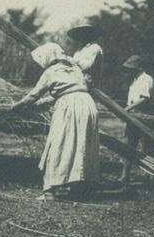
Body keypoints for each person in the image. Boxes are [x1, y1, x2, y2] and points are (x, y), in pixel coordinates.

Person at [10, 43, 100, 201]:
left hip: (69, 108)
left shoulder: (50, 72)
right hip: (87, 105)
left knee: (59, 144)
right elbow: (63, 92)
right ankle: (79, 188)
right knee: (81, 146)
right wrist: (39, 104)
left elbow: (33, 95)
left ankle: (50, 191)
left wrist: (16, 107)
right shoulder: (75, 69)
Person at [119, 55, 154, 188]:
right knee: (128, 145)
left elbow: (145, 98)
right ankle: (125, 176)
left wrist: (127, 108)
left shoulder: (147, 79)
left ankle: (151, 177)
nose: (129, 71)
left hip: (145, 116)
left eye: (131, 68)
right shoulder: (134, 81)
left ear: (139, 68)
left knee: (147, 148)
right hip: (133, 116)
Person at [67, 20, 103, 89]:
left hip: (89, 87)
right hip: (76, 84)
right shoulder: (77, 52)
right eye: (79, 34)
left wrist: (70, 63)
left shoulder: (94, 48)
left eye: (85, 33)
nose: (82, 36)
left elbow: (85, 66)